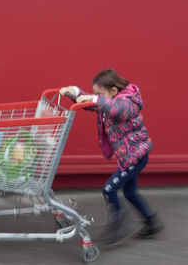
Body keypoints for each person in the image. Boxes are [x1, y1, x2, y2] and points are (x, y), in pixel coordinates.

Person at [59, 68, 164, 245]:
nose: (96, 96)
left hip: (136, 156)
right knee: (130, 192)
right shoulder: (108, 101)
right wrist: (75, 92)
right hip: (129, 156)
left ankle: (119, 225)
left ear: (114, 91)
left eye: (99, 93)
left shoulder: (127, 103)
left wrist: (94, 98)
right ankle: (152, 222)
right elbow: (95, 104)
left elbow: (115, 109)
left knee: (109, 189)